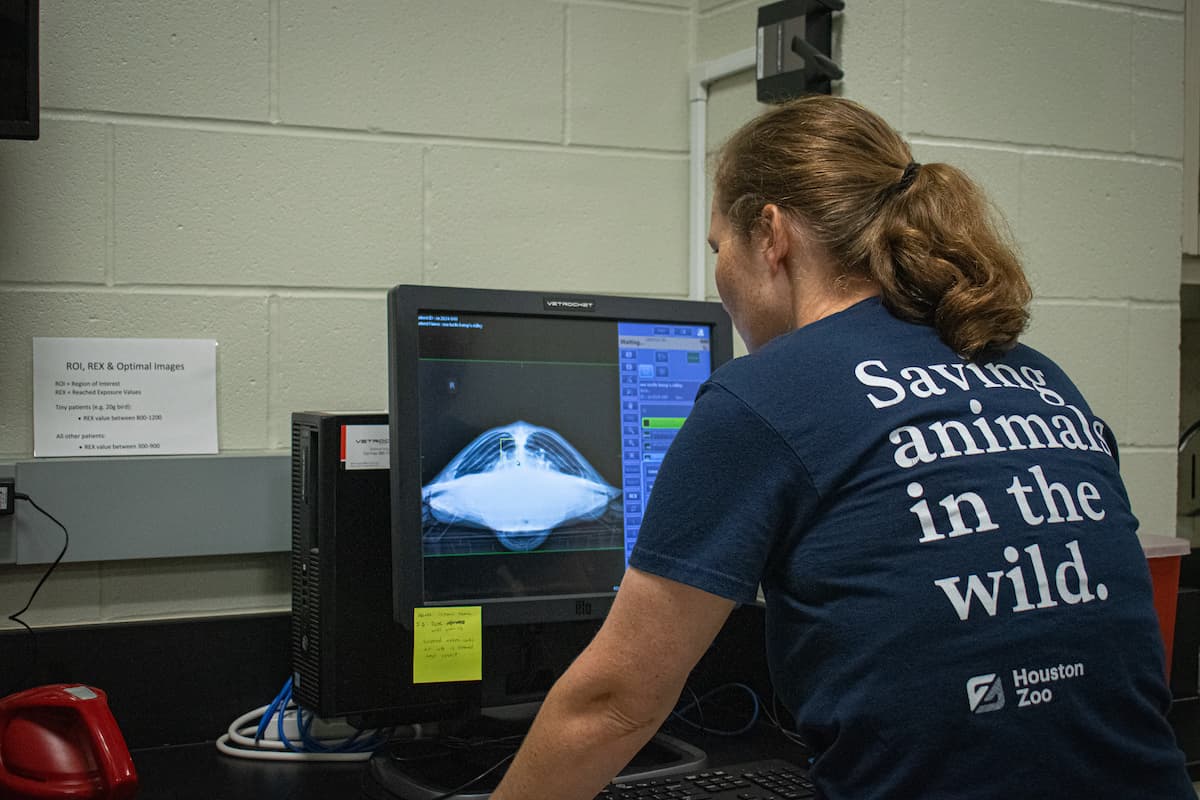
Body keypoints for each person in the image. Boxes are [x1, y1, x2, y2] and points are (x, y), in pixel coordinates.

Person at [490, 96, 1194, 799]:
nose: (721, 274)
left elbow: (614, 704)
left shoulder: (763, 394)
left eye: (718, 248)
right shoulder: (1040, 377)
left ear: (771, 234)